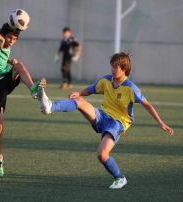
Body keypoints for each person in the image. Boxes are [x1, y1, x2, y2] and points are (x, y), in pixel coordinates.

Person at [38, 52, 174, 189]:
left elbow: (147, 105)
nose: (112, 70)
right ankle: (50, 106)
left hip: (117, 123)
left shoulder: (130, 88)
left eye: (116, 67)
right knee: (78, 101)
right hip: (102, 115)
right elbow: (91, 89)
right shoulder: (107, 80)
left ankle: (120, 178)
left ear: (124, 68)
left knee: (102, 155)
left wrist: (161, 123)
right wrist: (78, 93)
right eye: (112, 66)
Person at [0, 23, 45, 177]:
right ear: (3, 35)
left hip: (4, 80)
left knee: (19, 65)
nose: (11, 41)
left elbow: (3, 59)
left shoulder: (7, 48)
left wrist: (11, 61)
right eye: (9, 37)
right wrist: (0, 38)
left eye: (14, 39)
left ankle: (33, 89)